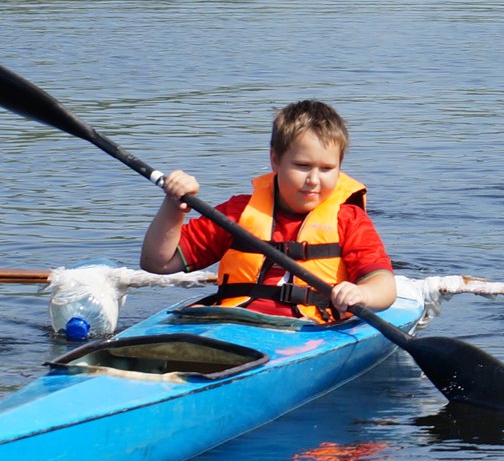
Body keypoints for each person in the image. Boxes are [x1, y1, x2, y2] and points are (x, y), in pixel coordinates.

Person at [139, 99, 398, 323]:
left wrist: (362, 294)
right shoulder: (237, 213)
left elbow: (384, 287)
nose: (314, 180)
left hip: (309, 329)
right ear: (275, 160)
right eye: (302, 165)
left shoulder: (348, 220)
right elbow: (157, 262)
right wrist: (174, 207)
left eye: (327, 169)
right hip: (230, 323)